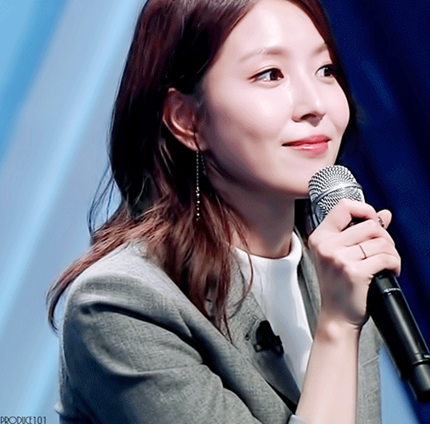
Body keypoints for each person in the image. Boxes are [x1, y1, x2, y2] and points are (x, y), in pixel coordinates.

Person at [47, 0, 401, 423]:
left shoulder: (332, 269)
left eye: (325, 70)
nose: (315, 104)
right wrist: (338, 326)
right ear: (187, 120)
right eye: (270, 74)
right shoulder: (121, 305)